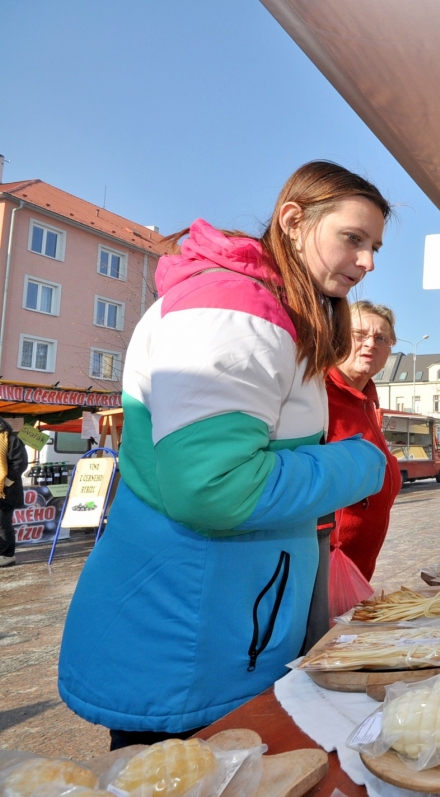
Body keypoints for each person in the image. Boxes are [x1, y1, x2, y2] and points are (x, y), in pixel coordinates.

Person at [58, 161, 390, 748]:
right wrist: (358, 464)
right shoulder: (235, 309)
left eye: (375, 247)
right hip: (189, 642)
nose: (367, 263)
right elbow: (215, 487)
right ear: (294, 220)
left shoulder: (264, 307)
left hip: (214, 632)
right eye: (353, 239)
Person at [325, 300, 403, 581]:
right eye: (359, 334)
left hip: (357, 572)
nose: (371, 344)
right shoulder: (318, 393)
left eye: (381, 338)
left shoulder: (367, 400)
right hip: (324, 572)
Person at [0, 417, 28, 568]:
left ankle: (7, 555)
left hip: (6, 490)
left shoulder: (11, 440)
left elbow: (20, 462)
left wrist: (7, 481)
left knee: (3, 524)